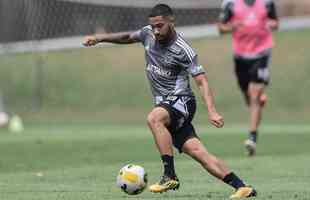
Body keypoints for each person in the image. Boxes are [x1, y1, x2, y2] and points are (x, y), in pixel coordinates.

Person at [83, 4, 256, 199]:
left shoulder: (183, 50)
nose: (156, 30)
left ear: (171, 21)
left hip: (182, 101)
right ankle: (242, 187)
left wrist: (212, 110)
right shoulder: (147, 34)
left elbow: (202, 81)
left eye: (160, 25)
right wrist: (99, 39)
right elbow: (127, 37)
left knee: (154, 119)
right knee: (199, 153)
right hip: (166, 105)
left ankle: (169, 175)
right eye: (153, 26)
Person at [218, 0, 279, 156]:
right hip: (241, 56)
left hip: (262, 53)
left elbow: (275, 22)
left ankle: (252, 137)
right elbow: (221, 27)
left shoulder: (266, 3)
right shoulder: (230, 4)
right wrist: (233, 26)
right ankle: (257, 101)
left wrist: (271, 24)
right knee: (248, 96)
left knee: (254, 94)